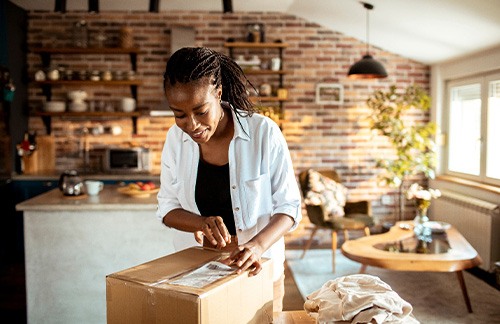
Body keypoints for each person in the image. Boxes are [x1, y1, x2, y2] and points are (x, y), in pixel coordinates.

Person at [156, 46, 302, 312]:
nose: (192, 125)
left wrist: (256, 246)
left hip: (258, 269)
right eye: (179, 114)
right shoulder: (175, 140)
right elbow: (167, 208)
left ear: (218, 94)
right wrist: (201, 223)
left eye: (201, 111)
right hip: (195, 274)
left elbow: (289, 207)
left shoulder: (263, 132)